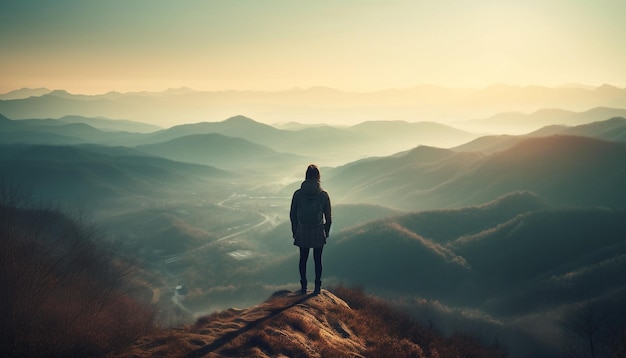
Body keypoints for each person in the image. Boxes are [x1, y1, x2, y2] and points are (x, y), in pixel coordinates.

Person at [290, 164, 332, 295]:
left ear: (306, 176)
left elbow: (292, 215)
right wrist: (326, 232)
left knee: (303, 258)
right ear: (318, 177)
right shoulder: (323, 195)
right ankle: (317, 287)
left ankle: (303, 286)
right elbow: (329, 217)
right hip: (318, 229)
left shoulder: (298, 194)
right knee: (317, 259)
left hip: (302, 230)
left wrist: (295, 230)